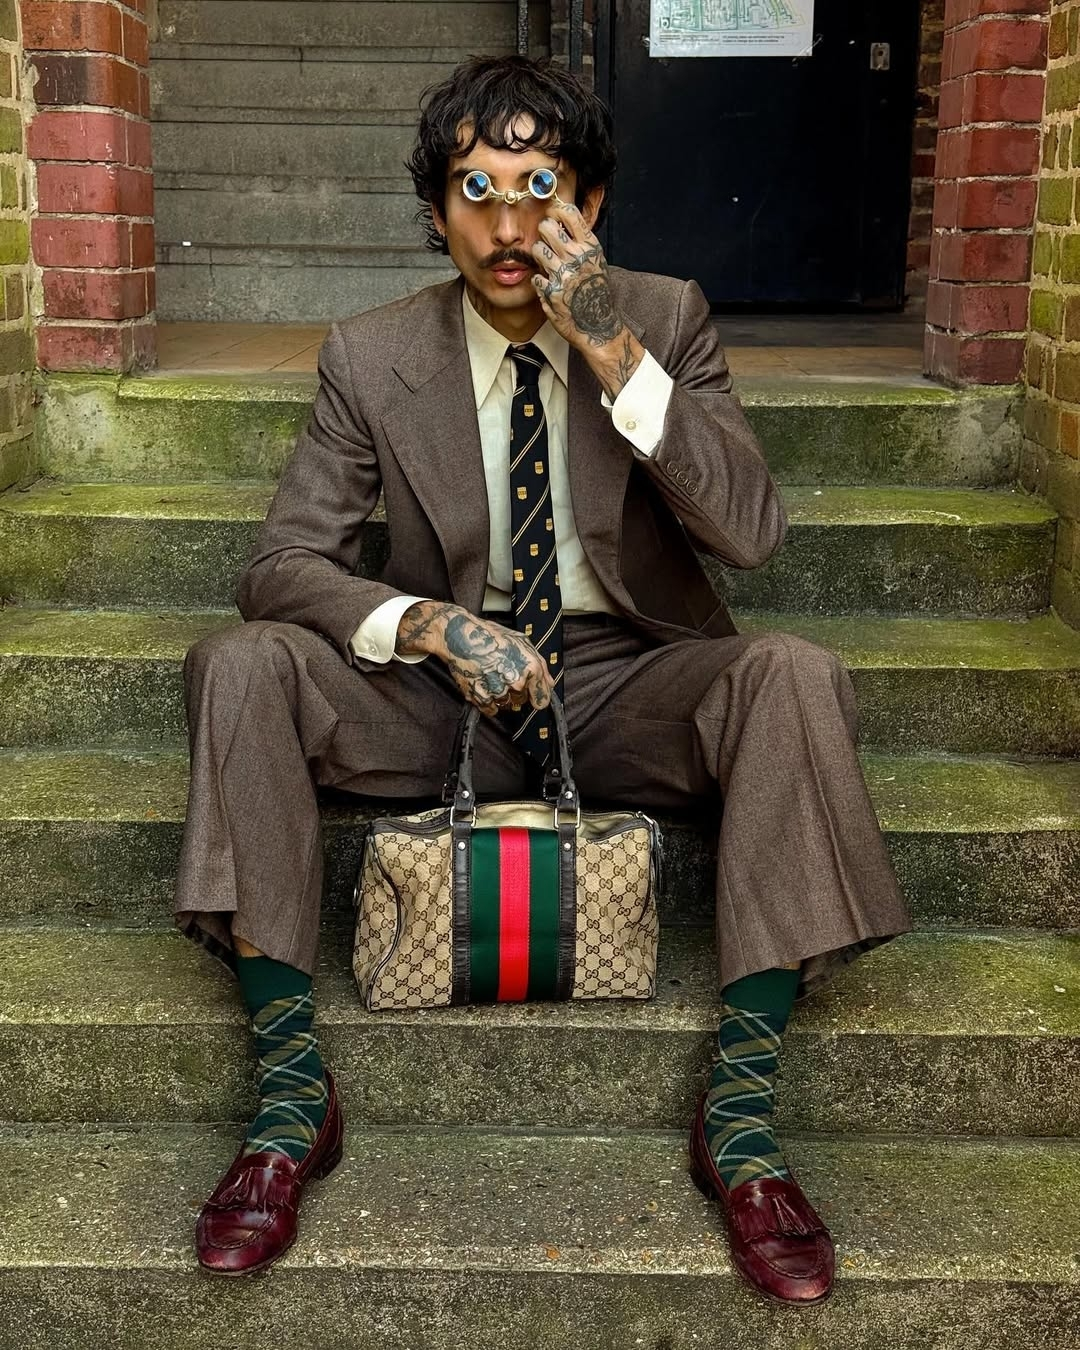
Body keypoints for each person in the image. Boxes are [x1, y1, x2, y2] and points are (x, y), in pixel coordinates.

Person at [175, 54, 912, 1301]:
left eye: (542, 186)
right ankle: (293, 1095)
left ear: (591, 203)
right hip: (438, 702)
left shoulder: (664, 316)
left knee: (791, 674)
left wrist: (611, 345)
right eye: (477, 188)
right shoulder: (370, 353)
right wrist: (424, 626)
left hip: (627, 684)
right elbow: (282, 567)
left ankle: (740, 1120)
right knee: (241, 664)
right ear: (436, 209)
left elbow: (750, 533)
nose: (511, 226)